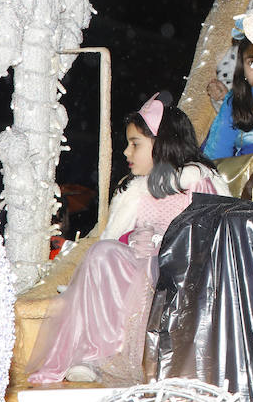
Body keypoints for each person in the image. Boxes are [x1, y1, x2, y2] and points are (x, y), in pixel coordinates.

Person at [27, 93, 230, 384]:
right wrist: (130, 240)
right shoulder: (135, 191)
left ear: (162, 144)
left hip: (181, 277)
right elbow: (116, 239)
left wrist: (163, 244)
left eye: (135, 144)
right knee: (103, 255)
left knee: (146, 268)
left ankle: (145, 358)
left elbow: (210, 239)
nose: (126, 152)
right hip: (139, 272)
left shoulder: (197, 182)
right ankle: (94, 355)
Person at [202, 39, 253, 159]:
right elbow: (218, 152)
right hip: (246, 174)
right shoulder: (236, 102)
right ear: (242, 67)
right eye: (251, 62)